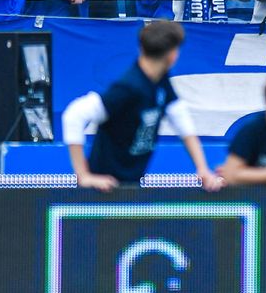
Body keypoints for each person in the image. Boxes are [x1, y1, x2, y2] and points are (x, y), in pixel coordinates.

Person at [62, 20, 222, 191]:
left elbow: (181, 120)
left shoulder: (161, 80)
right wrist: (83, 176)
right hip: (101, 192)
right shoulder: (128, 87)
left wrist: (202, 169)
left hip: (130, 186)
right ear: (173, 55)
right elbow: (73, 115)